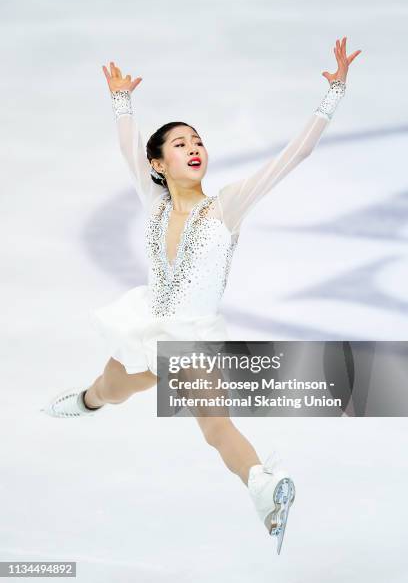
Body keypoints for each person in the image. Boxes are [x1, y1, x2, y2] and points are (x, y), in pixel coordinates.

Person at [41, 37, 361, 553]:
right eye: (180, 143)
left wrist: (333, 94)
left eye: (198, 141)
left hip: (194, 344)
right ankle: (87, 401)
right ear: (159, 164)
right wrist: (122, 100)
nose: (194, 148)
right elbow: (127, 149)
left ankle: (263, 485)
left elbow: (295, 154)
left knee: (215, 428)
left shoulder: (229, 206)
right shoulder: (154, 200)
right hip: (148, 324)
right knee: (112, 387)